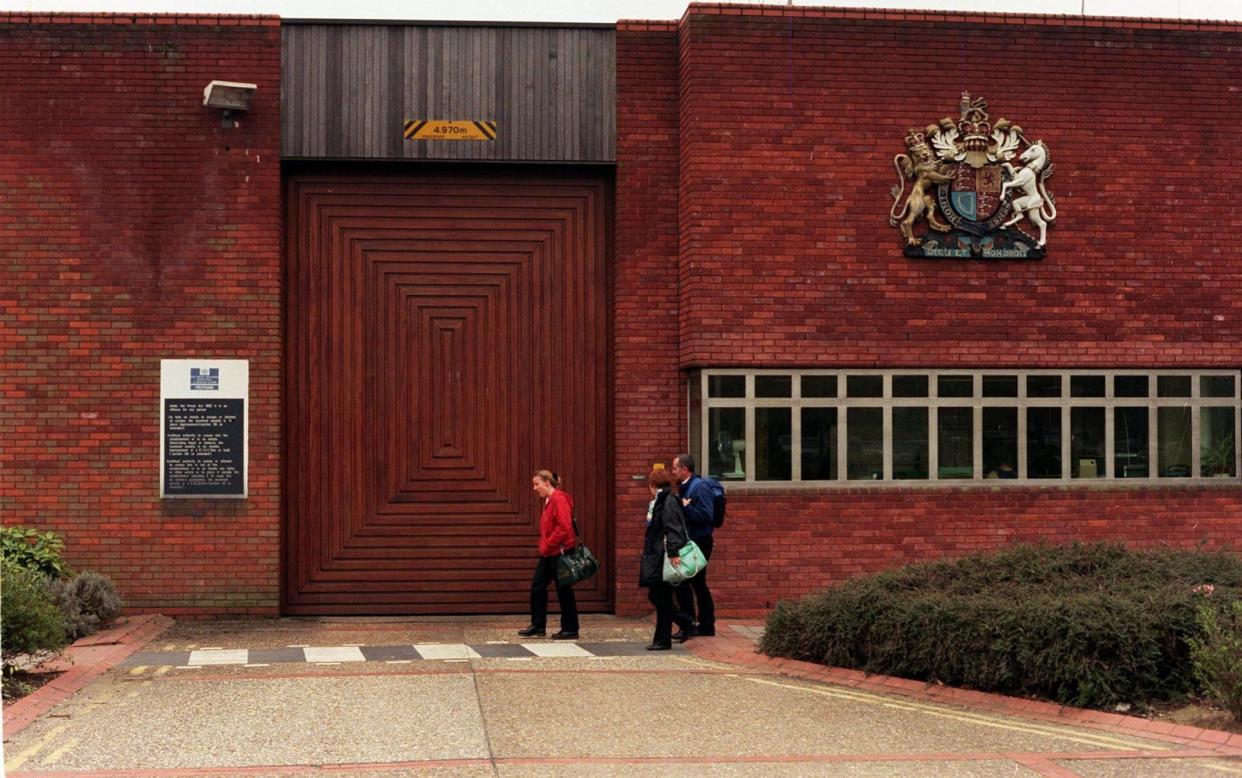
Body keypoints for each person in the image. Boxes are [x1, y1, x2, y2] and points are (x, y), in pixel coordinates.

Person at [639, 466, 696, 650]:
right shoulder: (663, 500)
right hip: (659, 554)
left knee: (657, 596)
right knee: (661, 597)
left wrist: (673, 552)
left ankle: (685, 623)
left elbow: (673, 528)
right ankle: (663, 639)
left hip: (664, 555)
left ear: (653, 485)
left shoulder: (667, 501)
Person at [518, 470, 580, 640]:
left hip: (559, 552)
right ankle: (538, 626)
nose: (534, 488)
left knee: (563, 590)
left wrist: (548, 543)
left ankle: (570, 629)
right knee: (538, 587)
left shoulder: (559, 499)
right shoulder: (550, 500)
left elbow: (564, 527)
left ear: (547, 482)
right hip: (550, 552)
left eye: (537, 484)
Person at [671, 453, 715, 638]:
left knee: (685, 582)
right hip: (692, 541)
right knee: (697, 583)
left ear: (684, 469)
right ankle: (703, 625)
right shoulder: (686, 487)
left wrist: (685, 507)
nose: (672, 472)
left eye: (675, 468)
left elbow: (706, 516)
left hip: (700, 541)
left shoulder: (699, 488)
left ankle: (691, 624)